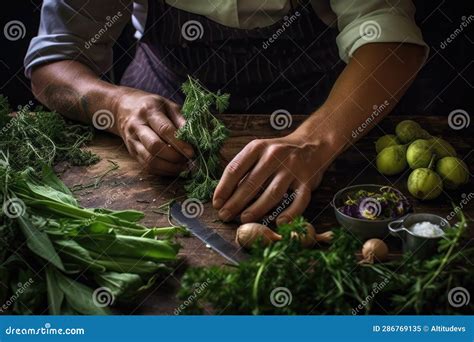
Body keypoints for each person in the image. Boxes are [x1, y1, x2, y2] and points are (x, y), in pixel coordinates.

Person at [24, 0, 428, 225]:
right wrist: (115, 105)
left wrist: (313, 140)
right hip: (164, 110)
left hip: (322, 108)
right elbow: (55, 60)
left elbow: (391, 39)